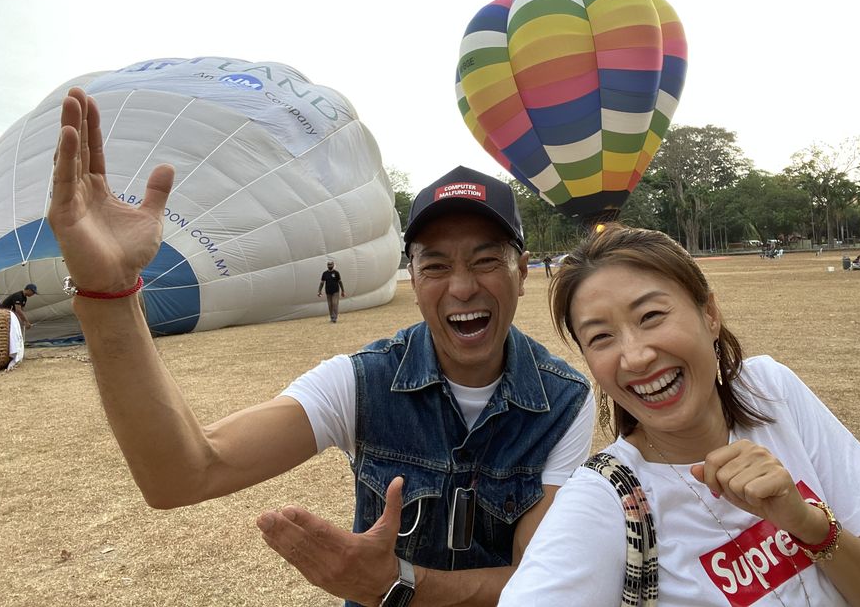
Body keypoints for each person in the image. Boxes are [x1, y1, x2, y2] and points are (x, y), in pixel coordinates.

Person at [48, 87, 595, 607]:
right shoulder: (361, 383)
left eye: (484, 260)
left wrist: (395, 586)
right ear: (413, 276)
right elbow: (183, 474)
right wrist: (109, 296)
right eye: (435, 265)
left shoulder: (564, 402)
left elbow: (538, 583)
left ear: (523, 272)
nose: (461, 286)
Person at [499, 223, 860, 606]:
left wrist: (807, 525)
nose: (636, 356)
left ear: (709, 314)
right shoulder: (604, 499)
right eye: (601, 337)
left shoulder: (770, 392)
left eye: (651, 316)